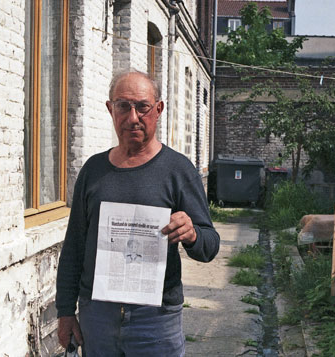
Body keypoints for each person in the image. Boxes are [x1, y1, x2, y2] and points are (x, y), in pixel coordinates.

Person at [55, 71, 220, 356]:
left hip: (155, 318)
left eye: (142, 107)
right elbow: (74, 248)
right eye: (123, 106)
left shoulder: (178, 170)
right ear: (110, 109)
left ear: (158, 110)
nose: (133, 117)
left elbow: (210, 245)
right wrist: (65, 312)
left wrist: (192, 234)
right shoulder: (93, 171)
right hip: (98, 316)